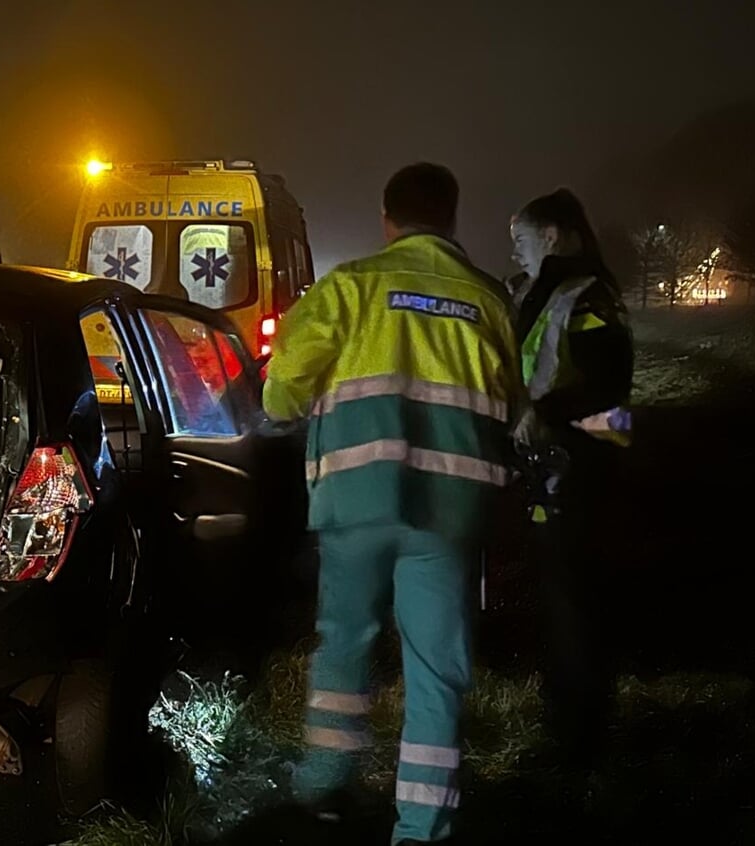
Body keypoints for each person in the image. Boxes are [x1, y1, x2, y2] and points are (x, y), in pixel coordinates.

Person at [263, 163, 520, 845]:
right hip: (450, 512)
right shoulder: (489, 301)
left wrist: (295, 407)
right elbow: (512, 406)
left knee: (344, 646)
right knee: (436, 669)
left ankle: (324, 792)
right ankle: (422, 826)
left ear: (387, 219)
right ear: (450, 219)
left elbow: (283, 389)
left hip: (356, 502)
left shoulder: (348, 289)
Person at [508, 189, 634, 767]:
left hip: (581, 469)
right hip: (558, 467)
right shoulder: (553, 291)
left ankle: (580, 736)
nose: (518, 251)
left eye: (522, 239)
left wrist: (546, 415)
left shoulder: (586, 296)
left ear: (551, 235)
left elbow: (609, 389)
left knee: (575, 603)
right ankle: (568, 715)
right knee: (562, 600)